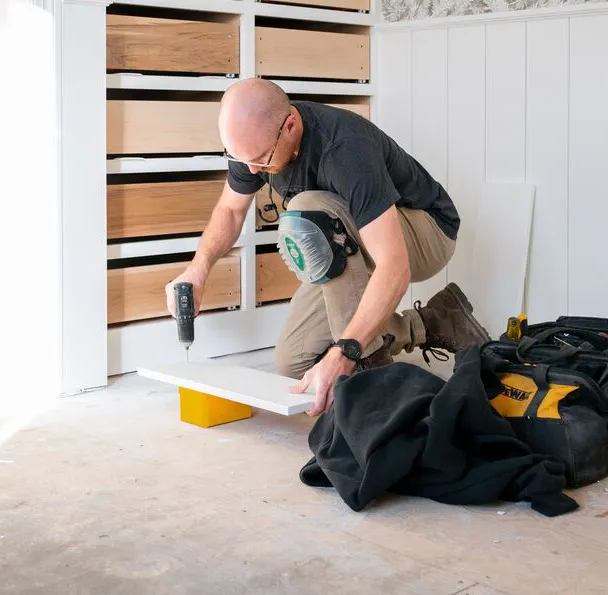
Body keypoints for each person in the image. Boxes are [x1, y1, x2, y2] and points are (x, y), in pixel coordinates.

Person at [165, 78, 489, 416]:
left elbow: (395, 267)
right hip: (348, 237)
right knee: (295, 364)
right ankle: (433, 321)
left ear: (289, 125)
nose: (251, 170)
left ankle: (371, 375)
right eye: (240, 158)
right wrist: (197, 270)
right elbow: (231, 210)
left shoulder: (345, 148)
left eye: (260, 160)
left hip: (427, 233)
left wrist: (346, 351)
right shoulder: (252, 143)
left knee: (309, 210)